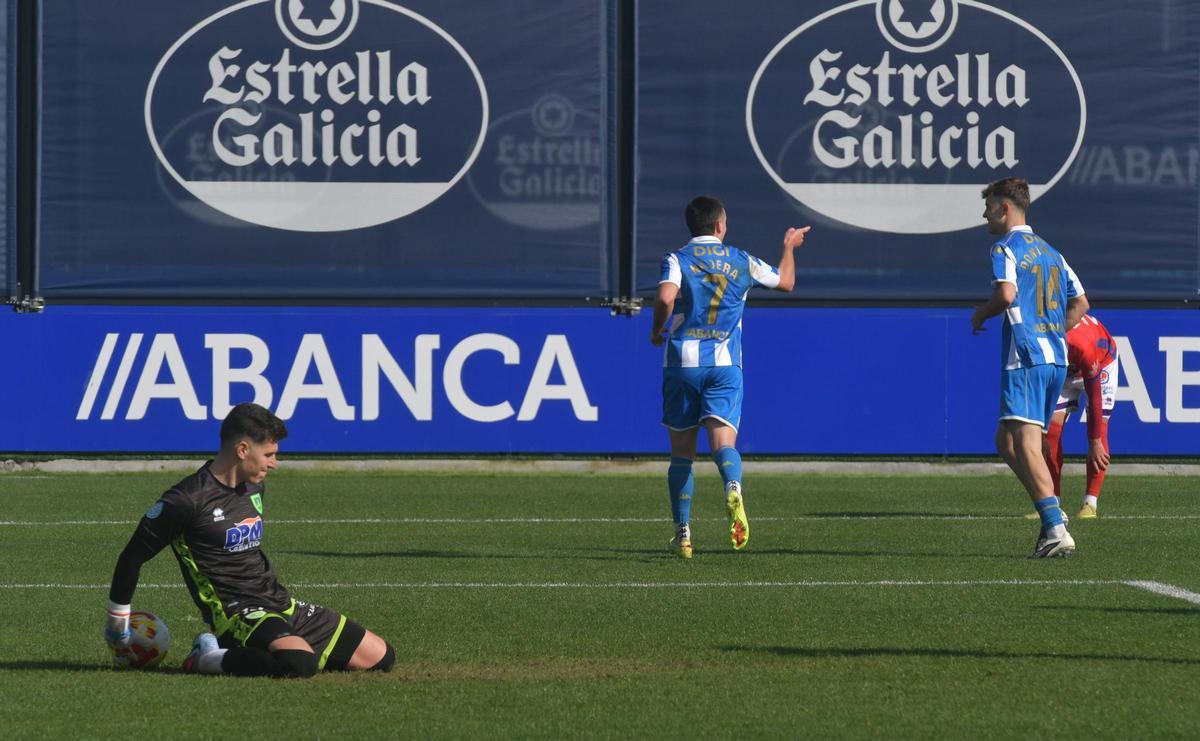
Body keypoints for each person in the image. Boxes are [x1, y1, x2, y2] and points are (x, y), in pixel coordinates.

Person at [103, 402, 395, 677]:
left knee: (381, 658)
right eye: (269, 455)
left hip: (281, 604)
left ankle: (281, 646)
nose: (274, 464)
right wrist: (117, 624)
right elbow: (132, 556)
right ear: (243, 449)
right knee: (300, 664)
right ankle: (206, 657)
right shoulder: (185, 500)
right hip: (237, 614)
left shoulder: (254, 488)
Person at [650, 195, 809, 558]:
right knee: (723, 443)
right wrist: (789, 247)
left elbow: (665, 299)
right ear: (720, 225)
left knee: (682, 455)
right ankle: (732, 485)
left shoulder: (677, 258)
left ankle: (683, 534)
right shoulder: (741, 259)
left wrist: (656, 330)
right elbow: (786, 282)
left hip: (683, 364)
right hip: (724, 365)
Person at [971, 177, 1088, 558]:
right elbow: (1081, 304)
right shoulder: (1053, 252)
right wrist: (1052, 331)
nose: (985, 213)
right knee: (1006, 441)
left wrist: (980, 314)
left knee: (1025, 442)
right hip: (1056, 358)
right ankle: (1050, 507)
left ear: (1005, 208)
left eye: (989, 206)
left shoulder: (1005, 247)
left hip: (1025, 356)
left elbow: (1006, 295)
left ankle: (1054, 527)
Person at [1045, 314, 1119, 518]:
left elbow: (1094, 398)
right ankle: (1051, 502)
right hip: (1066, 370)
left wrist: (1094, 442)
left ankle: (1090, 502)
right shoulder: (1039, 338)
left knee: (1099, 429)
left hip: (1102, 361)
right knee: (1050, 432)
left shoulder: (1082, 346)